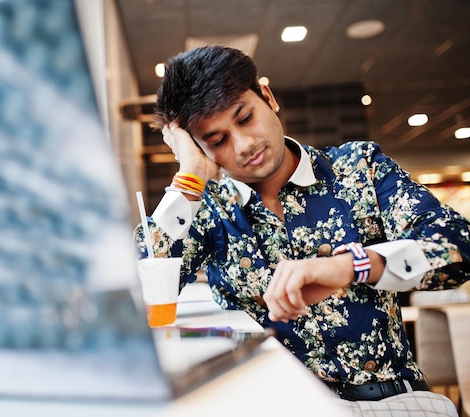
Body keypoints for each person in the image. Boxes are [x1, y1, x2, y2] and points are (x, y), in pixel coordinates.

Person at [134, 45, 470, 417]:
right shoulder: (209, 208)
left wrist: (352, 265)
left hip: (391, 400)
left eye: (245, 118)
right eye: (217, 141)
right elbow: (135, 294)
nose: (244, 146)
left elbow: (459, 246)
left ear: (268, 97)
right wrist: (189, 180)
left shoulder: (360, 168)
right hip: (275, 405)